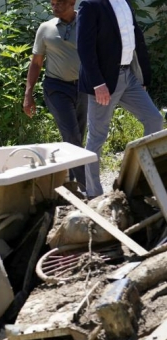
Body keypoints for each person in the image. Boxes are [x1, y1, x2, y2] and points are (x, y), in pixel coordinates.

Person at [77, 0, 164, 198]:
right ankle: (93, 193)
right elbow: (84, 47)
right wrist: (97, 84)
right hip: (104, 81)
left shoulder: (124, 2)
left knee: (154, 119)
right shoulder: (90, 5)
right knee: (97, 137)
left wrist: (143, 76)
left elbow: (135, 38)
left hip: (129, 77)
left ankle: (142, 178)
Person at [24, 0, 87, 193]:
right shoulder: (46, 28)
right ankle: (87, 186)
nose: (55, 7)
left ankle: (71, 179)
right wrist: (28, 93)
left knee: (78, 136)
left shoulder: (86, 23)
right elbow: (36, 63)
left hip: (83, 87)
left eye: (59, 3)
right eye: (52, 3)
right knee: (71, 134)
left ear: (72, 3)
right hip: (56, 88)